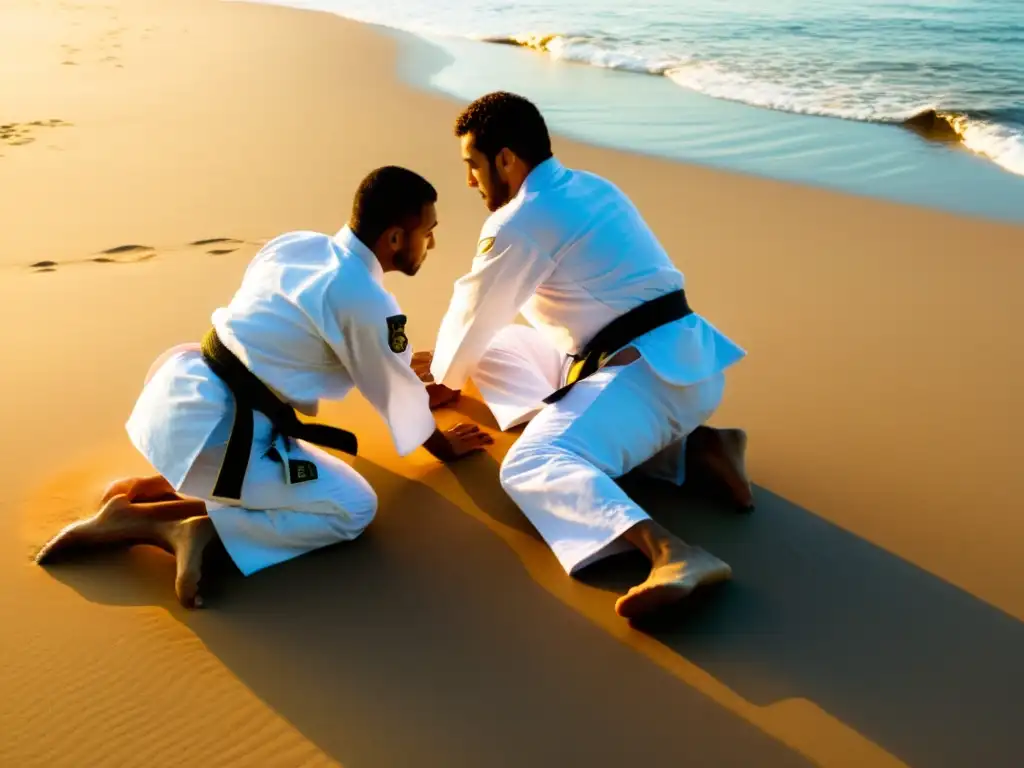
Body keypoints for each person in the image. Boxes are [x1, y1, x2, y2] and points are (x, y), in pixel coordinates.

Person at [36, 166, 493, 608]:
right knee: (353, 507)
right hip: (224, 437)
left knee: (289, 452)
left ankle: (151, 488)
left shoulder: (298, 246)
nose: (431, 241)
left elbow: (297, 337)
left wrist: (394, 367)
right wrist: (445, 446)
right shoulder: (369, 301)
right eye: (427, 231)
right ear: (395, 238)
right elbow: (397, 395)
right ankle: (184, 529)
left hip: (177, 398)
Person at [414, 92, 752, 620]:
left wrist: (444, 381)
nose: (470, 181)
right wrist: (452, 365)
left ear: (505, 159)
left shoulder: (518, 220)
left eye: (473, 166)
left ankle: (673, 555)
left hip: (648, 384)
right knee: (492, 346)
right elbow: (483, 326)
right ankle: (700, 449)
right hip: (689, 365)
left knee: (532, 462)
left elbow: (472, 306)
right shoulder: (593, 186)